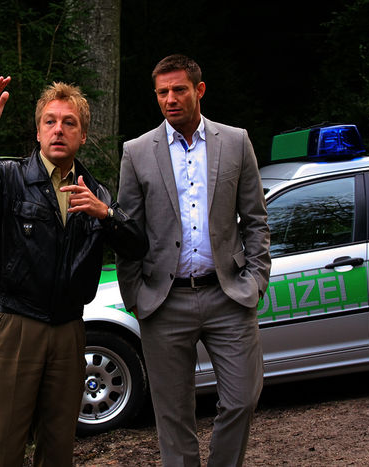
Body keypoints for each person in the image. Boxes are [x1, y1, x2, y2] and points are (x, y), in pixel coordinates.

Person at [0, 76, 148, 466]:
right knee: (4, 446)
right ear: (39, 132)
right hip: (15, 325)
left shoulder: (96, 192)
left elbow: (137, 246)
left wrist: (106, 214)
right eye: (50, 122)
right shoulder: (10, 178)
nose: (59, 129)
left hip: (71, 329)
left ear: (83, 135)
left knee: (58, 447)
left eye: (69, 122)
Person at [116, 55, 271, 466]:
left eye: (179, 89)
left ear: (199, 90)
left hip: (228, 294)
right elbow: (127, 232)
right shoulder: (136, 152)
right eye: (162, 92)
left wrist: (256, 278)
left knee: (242, 398)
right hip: (163, 302)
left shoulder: (235, 141)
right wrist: (134, 294)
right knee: (173, 416)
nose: (170, 99)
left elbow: (255, 218)